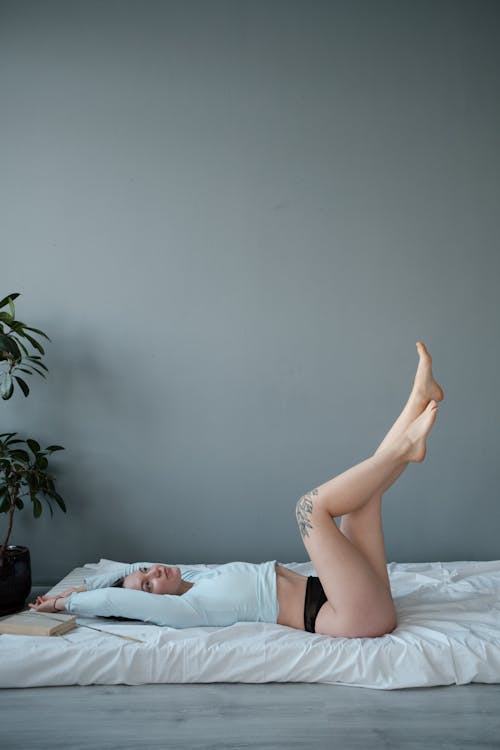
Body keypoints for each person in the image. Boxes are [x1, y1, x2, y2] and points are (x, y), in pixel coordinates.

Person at [29, 342, 443, 638]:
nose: (153, 575)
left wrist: (85, 585)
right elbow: (116, 603)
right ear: (152, 603)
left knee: (360, 500)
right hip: (350, 615)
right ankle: (408, 446)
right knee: (308, 509)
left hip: (359, 595)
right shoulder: (186, 612)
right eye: (149, 587)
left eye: (146, 573)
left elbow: (121, 576)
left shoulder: (193, 579)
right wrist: (69, 604)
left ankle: (416, 403)